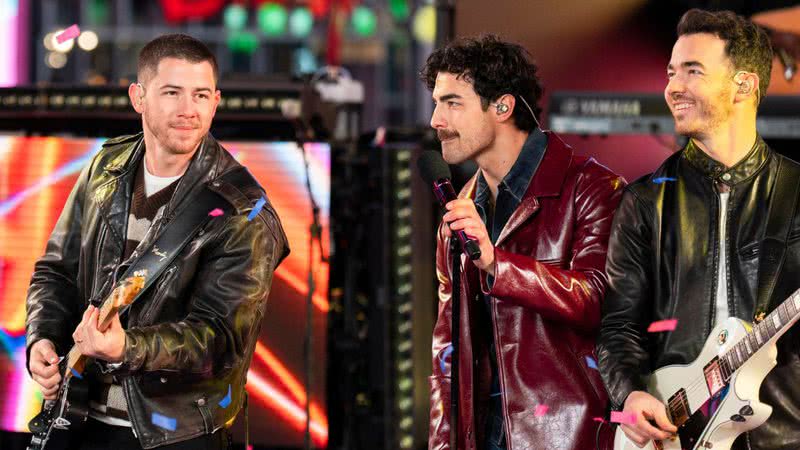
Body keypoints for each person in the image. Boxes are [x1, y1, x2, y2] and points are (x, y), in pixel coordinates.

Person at [26, 34, 289, 449]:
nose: (189, 110)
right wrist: (41, 338)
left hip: (177, 435)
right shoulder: (104, 167)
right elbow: (55, 271)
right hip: (79, 420)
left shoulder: (243, 208)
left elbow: (221, 340)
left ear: (216, 101)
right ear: (139, 97)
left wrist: (127, 347)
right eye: (172, 93)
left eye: (201, 95)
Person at [597, 9, 800, 450]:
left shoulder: (796, 191)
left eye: (692, 71)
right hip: (673, 431)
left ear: (744, 84)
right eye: (672, 72)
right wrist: (629, 394)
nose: (673, 87)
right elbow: (619, 326)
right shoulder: (644, 201)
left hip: (780, 433)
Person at [420, 34, 624, 450]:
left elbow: (598, 301)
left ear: (503, 107)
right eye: (436, 103)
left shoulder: (591, 188)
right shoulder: (458, 212)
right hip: (483, 434)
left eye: (452, 102)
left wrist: (497, 264)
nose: (435, 120)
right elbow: (447, 355)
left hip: (565, 434)